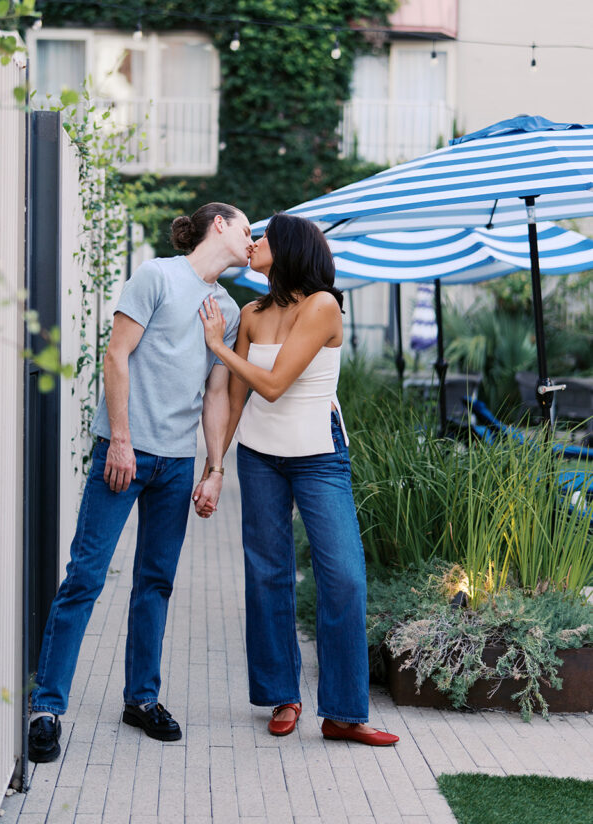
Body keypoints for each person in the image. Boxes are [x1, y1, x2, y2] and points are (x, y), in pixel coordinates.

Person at [28, 202, 252, 762]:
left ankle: (141, 700)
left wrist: (214, 468)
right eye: (248, 229)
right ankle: (47, 706)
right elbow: (116, 355)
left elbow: (216, 393)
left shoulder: (225, 307)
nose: (254, 239)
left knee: (156, 583)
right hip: (122, 454)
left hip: (176, 465)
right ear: (217, 224)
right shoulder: (156, 276)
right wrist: (121, 438)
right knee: (85, 576)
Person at [199, 213, 399, 745]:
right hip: (260, 455)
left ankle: (343, 713)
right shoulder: (251, 312)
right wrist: (215, 468)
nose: (254, 243)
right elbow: (237, 398)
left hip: (318, 455)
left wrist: (219, 347)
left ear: (287, 251)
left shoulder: (322, 306)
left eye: (264, 238)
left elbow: (272, 385)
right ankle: (283, 696)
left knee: (344, 577)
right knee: (267, 573)